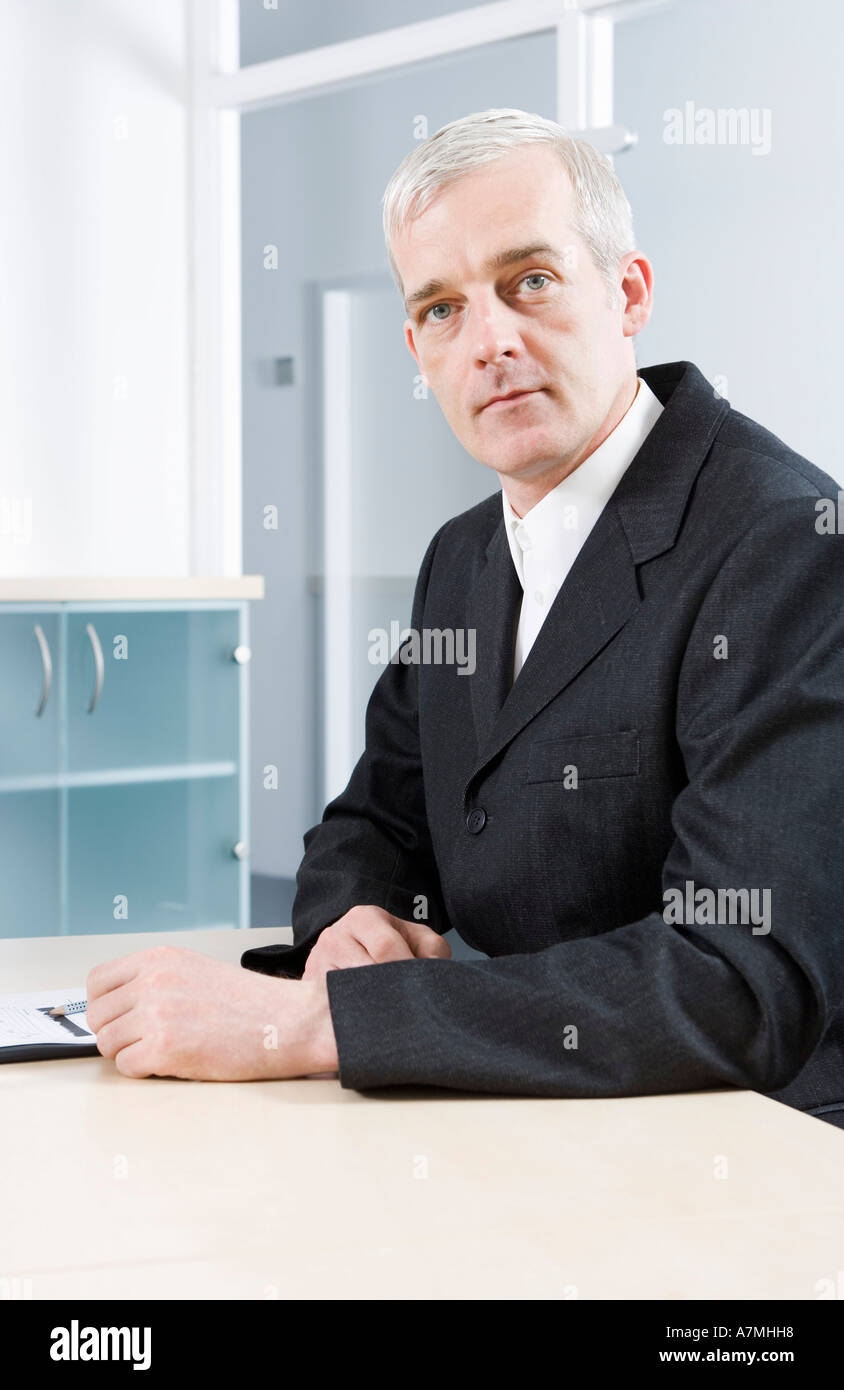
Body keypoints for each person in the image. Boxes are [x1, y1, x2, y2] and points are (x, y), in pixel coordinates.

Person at [87, 110, 844, 1131]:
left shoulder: (782, 540)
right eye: (441, 309)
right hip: (507, 1115)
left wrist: (324, 1024)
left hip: (728, 1151)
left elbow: (738, 979)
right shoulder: (463, 555)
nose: (489, 340)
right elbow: (373, 820)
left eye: (528, 281)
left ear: (627, 293)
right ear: (415, 346)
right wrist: (354, 920)